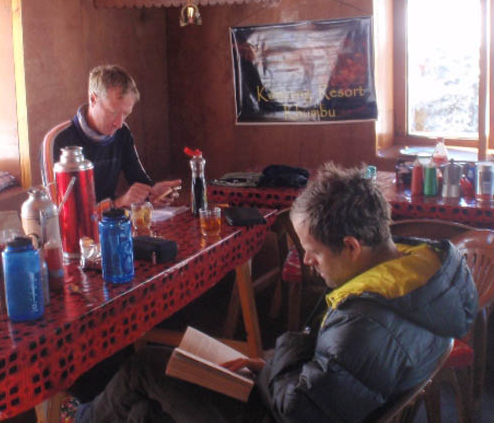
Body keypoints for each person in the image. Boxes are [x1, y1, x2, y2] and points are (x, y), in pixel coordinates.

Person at [76, 163, 478, 422]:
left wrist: (273, 362)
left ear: (352, 246)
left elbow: (302, 411)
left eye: (313, 252)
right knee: (144, 410)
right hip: (301, 394)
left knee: (145, 366)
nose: (307, 263)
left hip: (279, 412)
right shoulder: (423, 277)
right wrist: (268, 364)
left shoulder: (366, 323)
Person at [43, 65, 181, 208]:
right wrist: (117, 203)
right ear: (93, 99)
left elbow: (138, 179)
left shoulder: (122, 132)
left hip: (111, 222)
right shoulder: (57, 140)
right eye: (113, 112)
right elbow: (59, 210)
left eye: (126, 114)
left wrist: (153, 193)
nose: (119, 124)